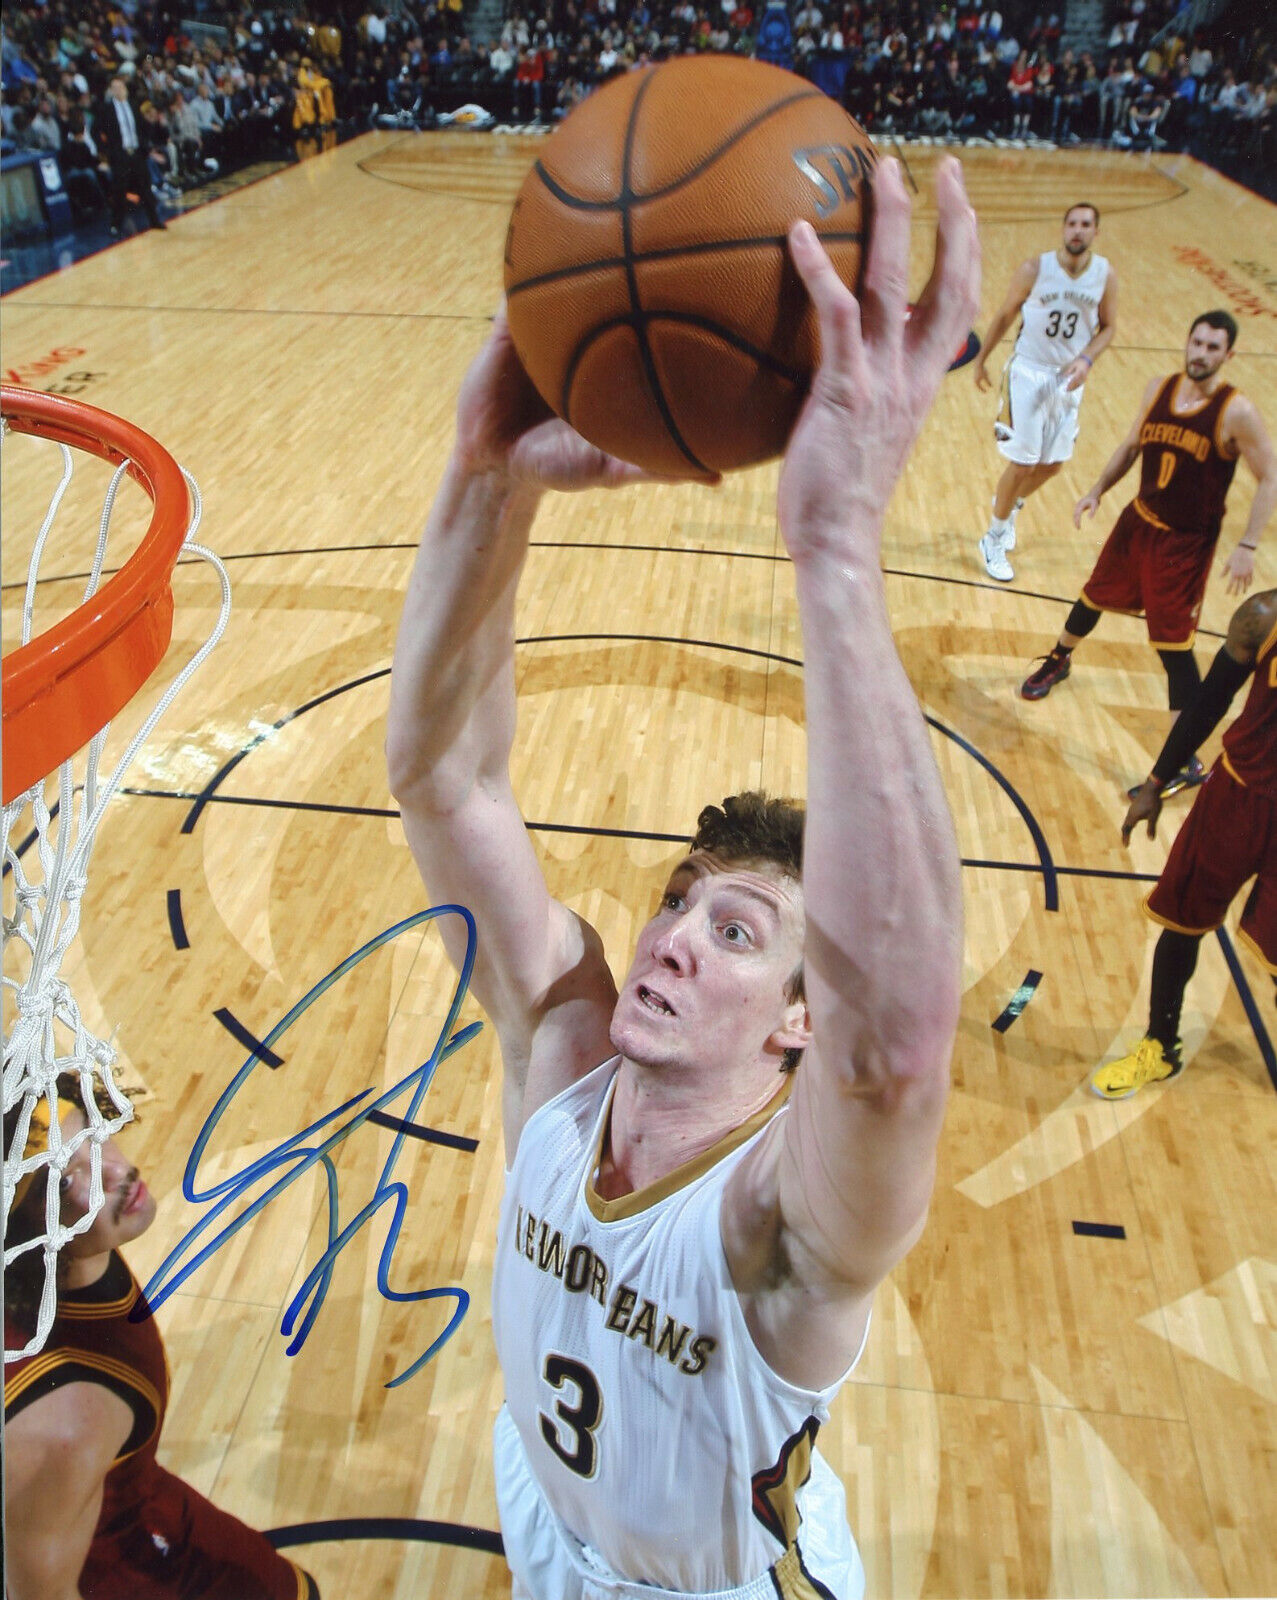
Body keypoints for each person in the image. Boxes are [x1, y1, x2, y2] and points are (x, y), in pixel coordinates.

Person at [385, 157, 978, 1600]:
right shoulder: (564, 1050)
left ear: (794, 1022)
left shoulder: (784, 1219)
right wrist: (482, 479)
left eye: (737, 932)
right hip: (541, 1521)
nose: (670, 942)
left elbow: (895, 1054)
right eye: (679, 904)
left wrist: (836, 551)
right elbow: (444, 778)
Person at [4, 1084, 319, 1600]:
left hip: (135, 1505)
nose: (112, 1172)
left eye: (89, 1132)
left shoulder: (68, 1257)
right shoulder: (65, 1419)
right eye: (64, 1183)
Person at [1018, 310, 1276, 784]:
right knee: (1093, 594)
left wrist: (1247, 544)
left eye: (1213, 348)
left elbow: (1270, 477)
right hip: (1138, 520)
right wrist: (1097, 489)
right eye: (1196, 342)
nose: (1200, 353)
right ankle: (1058, 660)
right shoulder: (1158, 387)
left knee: (1174, 647)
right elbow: (1131, 445)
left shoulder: (1235, 411)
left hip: (1184, 545)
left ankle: (1185, 758)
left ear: (1228, 355)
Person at [1091, 587, 1277, 1097]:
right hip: (1235, 799)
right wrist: (1155, 782)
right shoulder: (1262, 618)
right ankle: (1159, 1045)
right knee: (1183, 920)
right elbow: (1209, 704)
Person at [973, 202, 1116, 581]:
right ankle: (993, 537)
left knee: (1053, 465)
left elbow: (1109, 327)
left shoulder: (1104, 275)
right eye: (1072, 223)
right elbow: (1005, 314)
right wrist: (982, 358)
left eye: (1086, 224)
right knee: (1023, 463)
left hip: (1069, 379)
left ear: (1095, 232)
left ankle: (1010, 505)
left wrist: (1087, 359)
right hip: (1029, 373)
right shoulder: (1036, 269)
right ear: (1063, 228)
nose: (1077, 231)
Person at [99, 75, 165, 234]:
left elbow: (142, 127)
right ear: (111, 91)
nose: (118, 90)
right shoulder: (106, 109)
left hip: (136, 153)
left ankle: (154, 221)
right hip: (120, 154)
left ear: (125, 89)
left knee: (145, 187)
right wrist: (106, 151)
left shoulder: (133, 105)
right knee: (119, 191)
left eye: (120, 87)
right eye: (114, 88)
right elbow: (97, 131)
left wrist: (145, 142)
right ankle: (116, 225)